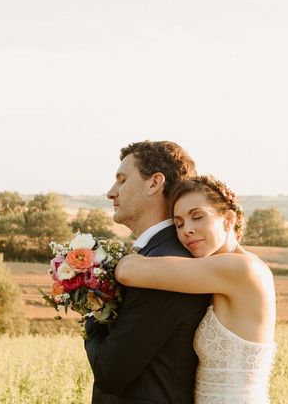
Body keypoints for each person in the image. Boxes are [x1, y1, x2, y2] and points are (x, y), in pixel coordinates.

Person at [115, 176, 277, 404]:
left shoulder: (241, 269)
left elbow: (128, 270)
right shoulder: (227, 271)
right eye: (179, 224)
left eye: (197, 217)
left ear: (228, 219)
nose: (186, 231)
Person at [84, 140, 211, 404]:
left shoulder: (165, 267)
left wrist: (90, 308)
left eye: (122, 180)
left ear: (154, 183)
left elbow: (110, 373)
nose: (111, 192)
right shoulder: (150, 257)